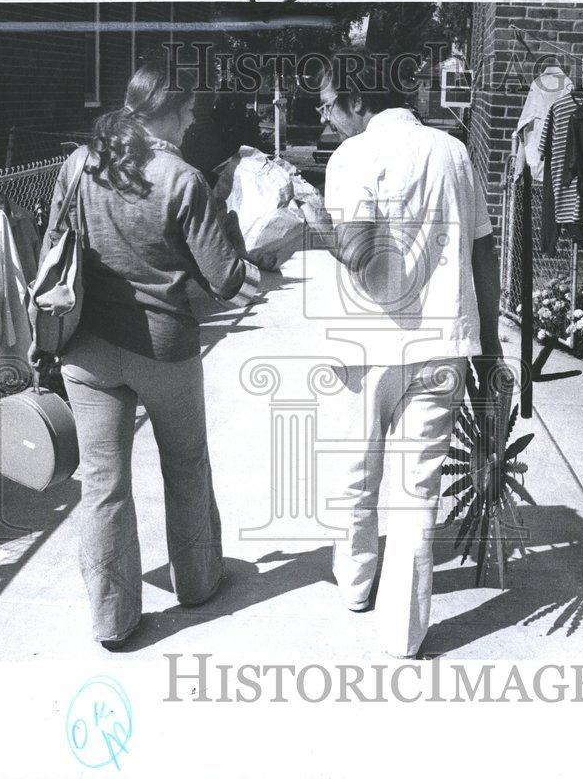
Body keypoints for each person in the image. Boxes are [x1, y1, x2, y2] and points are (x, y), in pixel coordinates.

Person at [32, 62, 262, 650]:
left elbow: (54, 252)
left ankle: (113, 620)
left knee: (103, 486)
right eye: (187, 110)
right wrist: (239, 230)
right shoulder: (182, 179)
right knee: (185, 467)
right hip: (166, 352)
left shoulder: (81, 164)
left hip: (88, 351)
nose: (192, 120)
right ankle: (199, 584)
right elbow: (225, 278)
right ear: (165, 107)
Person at [318, 50, 506, 658]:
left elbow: (354, 252)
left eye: (328, 107)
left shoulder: (351, 157)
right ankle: (404, 631)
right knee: (416, 488)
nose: (327, 121)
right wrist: (491, 346)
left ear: (356, 102)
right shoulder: (453, 152)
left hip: (365, 342)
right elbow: (483, 251)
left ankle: (355, 584)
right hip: (442, 340)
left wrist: (304, 216)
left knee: (355, 469)